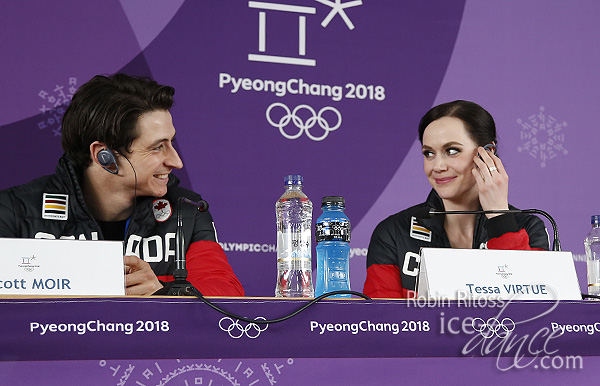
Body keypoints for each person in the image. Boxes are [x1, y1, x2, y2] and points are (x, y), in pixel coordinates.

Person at [0, 73, 245, 297]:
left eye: (171, 142)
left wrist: (162, 292)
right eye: (157, 147)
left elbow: (227, 295)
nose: (176, 161)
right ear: (104, 156)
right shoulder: (14, 211)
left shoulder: (186, 210)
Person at [363, 100, 549, 298]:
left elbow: (532, 309)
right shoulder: (393, 232)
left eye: (452, 151)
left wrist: (499, 217)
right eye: (429, 153)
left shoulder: (529, 229)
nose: (438, 166)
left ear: (487, 153)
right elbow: (382, 323)